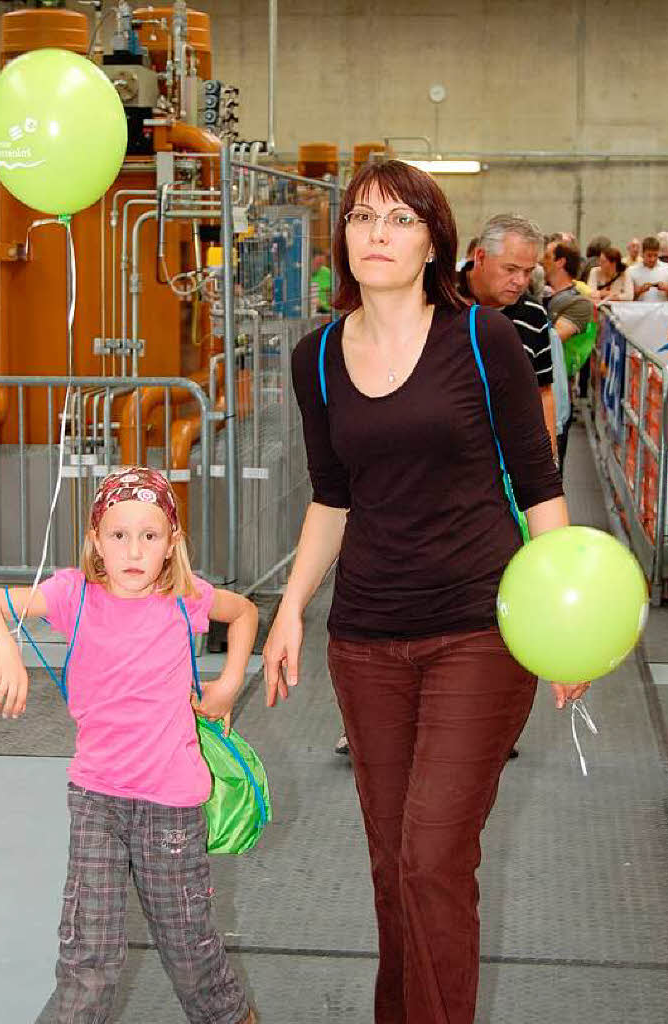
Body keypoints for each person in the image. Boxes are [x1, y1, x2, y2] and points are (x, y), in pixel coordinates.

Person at [263, 160, 588, 1024]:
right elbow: (331, 496)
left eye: (401, 220)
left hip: (479, 630)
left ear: (436, 241)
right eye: (363, 217)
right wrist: (291, 608)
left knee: (433, 856)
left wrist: (566, 627)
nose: (377, 234)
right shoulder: (317, 358)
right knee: (389, 863)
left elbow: (539, 482)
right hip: (366, 640)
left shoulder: (483, 341)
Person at [0, 467, 258, 1024]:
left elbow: (244, 613)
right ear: (96, 540)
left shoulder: (185, 599)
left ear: (172, 545)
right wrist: (6, 651)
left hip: (172, 810)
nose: (134, 550)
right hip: (96, 801)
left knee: (191, 952)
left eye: (150, 535)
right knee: (86, 951)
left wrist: (230, 682)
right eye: (119, 535)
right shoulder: (74, 593)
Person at [457, 213, 557, 460]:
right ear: (480, 257)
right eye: (510, 269)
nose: (520, 281)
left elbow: (543, 391)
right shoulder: (436, 303)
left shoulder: (533, 315)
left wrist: (549, 458)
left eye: (528, 272)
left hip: (506, 461)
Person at [542, 237, 595, 468]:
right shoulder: (541, 295)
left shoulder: (579, 303)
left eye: (546, 256)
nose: (541, 261)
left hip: (555, 392)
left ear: (560, 262)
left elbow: (551, 337)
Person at [628, 235, 668, 301]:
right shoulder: (632, 270)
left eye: (655, 255)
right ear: (642, 254)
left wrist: (667, 288)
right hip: (639, 310)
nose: (652, 259)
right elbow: (627, 297)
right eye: (649, 255)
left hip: (663, 310)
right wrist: (639, 290)